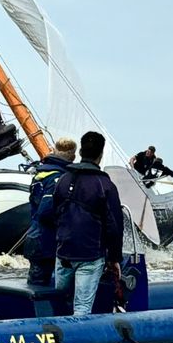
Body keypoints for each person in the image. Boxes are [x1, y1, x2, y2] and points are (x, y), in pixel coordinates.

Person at [46, 131, 123, 315]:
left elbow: (53, 214)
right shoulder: (105, 185)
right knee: (81, 307)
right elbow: (114, 226)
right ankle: (76, 340)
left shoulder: (63, 179)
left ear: (80, 151)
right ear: (101, 154)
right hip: (90, 255)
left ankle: (54, 337)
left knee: (59, 301)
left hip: (63, 252)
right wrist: (114, 259)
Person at [24, 138, 76, 286]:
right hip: (46, 241)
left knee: (37, 282)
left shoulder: (42, 173)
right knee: (40, 286)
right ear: (72, 156)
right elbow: (46, 211)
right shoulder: (57, 178)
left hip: (36, 237)